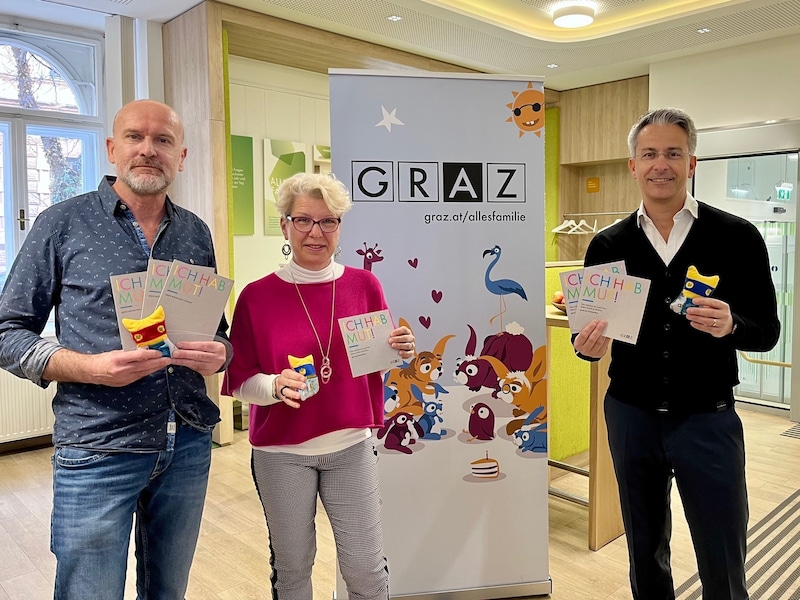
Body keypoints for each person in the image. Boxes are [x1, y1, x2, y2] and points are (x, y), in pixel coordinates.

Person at [0, 99, 230, 600]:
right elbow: (7, 332)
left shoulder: (194, 231)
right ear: (111, 148)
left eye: (163, 140)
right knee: (90, 593)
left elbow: (221, 333)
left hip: (187, 441)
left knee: (168, 591)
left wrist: (221, 354)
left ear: (181, 156)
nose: (148, 150)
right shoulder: (62, 223)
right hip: (98, 445)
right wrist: (88, 368)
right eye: (135, 137)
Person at [573, 107, 779, 599]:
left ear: (691, 163)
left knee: (722, 550)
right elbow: (588, 337)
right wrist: (587, 348)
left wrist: (732, 324)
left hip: (708, 418)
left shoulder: (736, 236)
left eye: (673, 153)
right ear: (633, 165)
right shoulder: (607, 244)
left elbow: (766, 330)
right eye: (649, 154)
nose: (660, 164)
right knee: (644, 548)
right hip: (630, 416)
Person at [221, 172, 415, 600]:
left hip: (351, 446)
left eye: (328, 221)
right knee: (292, 570)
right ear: (285, 226)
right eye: (304, 220)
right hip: (281, 454)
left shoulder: (365, 286)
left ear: (340, 227)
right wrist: (274, 386)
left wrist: (399, 349)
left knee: (366, 570)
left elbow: (374, 359)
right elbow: (236, 381)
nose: (316, 232)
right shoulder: (257, 296)